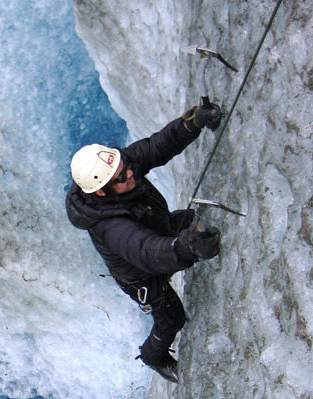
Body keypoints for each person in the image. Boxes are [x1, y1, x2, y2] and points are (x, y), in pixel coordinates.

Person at [65, 103, 223, 383]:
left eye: (124, 166)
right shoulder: (110, 226)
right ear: (101, 192)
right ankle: (154, 357)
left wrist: (191, 123)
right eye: (122, 176)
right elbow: (147, 252)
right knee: (172, 319)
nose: (131, 173)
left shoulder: (116, 169)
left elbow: (155, 147)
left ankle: (182, 241)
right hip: (143, 276)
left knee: (187, 220)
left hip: (157, 228)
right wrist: (186, 248)